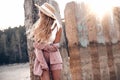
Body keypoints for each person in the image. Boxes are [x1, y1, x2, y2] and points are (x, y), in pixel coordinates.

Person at [32, 2, 63, 80]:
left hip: (55, 57)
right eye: (40, 11)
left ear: (45, 13)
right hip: (41, 57)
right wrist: (43, 64)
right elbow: (37, 48)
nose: (39, 13)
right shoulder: (37, 28)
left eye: (41, 11)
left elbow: (55, 47)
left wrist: (42, 46)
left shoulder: (58, 27)